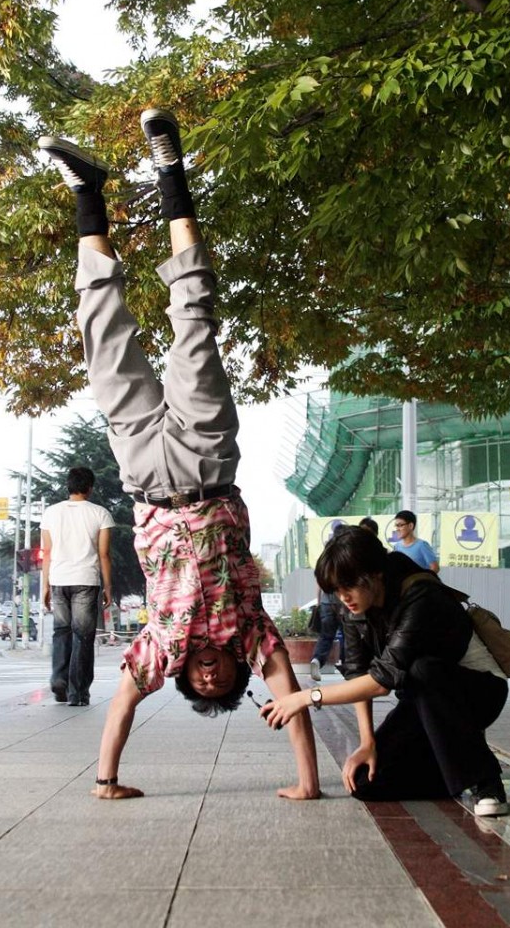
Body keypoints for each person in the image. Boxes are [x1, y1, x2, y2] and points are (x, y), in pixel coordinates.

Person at [37, 108, 319, 801]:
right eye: (221, 682)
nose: (210, 676)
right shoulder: (253, 636)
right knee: (194, 320)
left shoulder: (156, 650)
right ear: (240, 673)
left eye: (202, 685)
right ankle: (171, 168)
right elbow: (290, 697)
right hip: (207, 462)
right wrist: (307, 781)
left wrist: (106, 780)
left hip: (143, 475)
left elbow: (121, 706)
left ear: (185, 680)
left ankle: (87, 192)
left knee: (101, 338)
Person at [261, 526, 509, 817]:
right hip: (422, 702)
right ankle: (451, 776)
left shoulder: (420, 596)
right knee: (365, 782)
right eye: (337, 590)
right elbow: (358, 673)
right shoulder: (353, 608)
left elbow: (381, 682)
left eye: (349, 586)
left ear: (376, 573)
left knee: (423, 669)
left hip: (479, 692)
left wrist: (306, 697)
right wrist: (367, 742)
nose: (343, 597)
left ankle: (485, 781)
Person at [41, 466, 114, 705]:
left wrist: (45, 585)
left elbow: (47, 552)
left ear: (68, 486)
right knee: (82, 636)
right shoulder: (100, 513)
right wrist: (108, 586)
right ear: (90, 488)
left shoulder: (51, 513)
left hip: (59, 579)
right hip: (86, 580)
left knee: (61, 632)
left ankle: (59, 680)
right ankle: (78, 693)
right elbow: (104, 554)